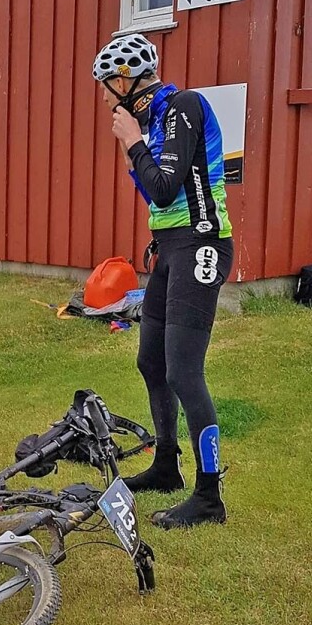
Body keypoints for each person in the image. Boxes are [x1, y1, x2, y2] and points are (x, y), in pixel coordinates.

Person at [93, 33, 234, 529]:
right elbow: (160, 201)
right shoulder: (153, 122)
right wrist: (137, 138)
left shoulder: (183, 106)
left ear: (124, 79)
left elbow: (164, 185)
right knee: (150, 360)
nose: (104, 98)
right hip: (172, 249)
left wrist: (132, 141)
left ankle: (209, 496)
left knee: (183, 372)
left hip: (202, 246)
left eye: (106, 87)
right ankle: (167, 465)